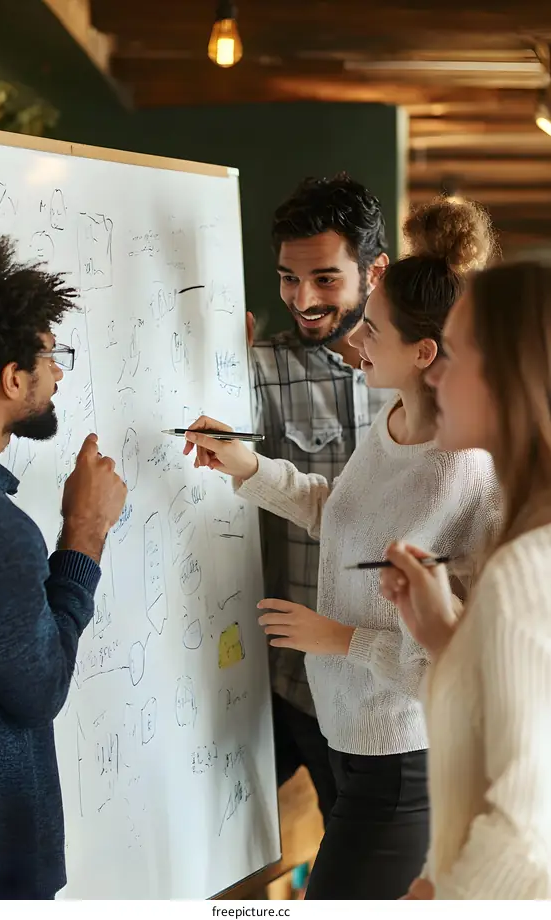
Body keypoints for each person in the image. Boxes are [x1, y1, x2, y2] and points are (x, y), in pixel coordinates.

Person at [184, 198, 502, 899]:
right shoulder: (391, 421)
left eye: (374, 332)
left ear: (423, 353)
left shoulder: (467, 470)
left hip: (405, 763)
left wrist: (342, 639)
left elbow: (468, 663)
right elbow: (338, 512)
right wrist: (245, 466)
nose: (357, 343)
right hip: (349, 741)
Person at [0, 236, 127, 899]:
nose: (59, 374)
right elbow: (38, 690)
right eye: (52, 358)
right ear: (12, 378)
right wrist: (85, 531)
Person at [380, 261, 551, 900]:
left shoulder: (525, 571)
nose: (435, 372)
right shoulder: (524, 544)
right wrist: (445, 638)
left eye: (450, 352)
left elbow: (528, 828)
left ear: (511, 373)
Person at [249, 173, 391, 823]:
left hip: (389, 696)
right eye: (287, 277)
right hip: (287, 688)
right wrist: (210, 366)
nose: (301, 299)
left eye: (325, 279)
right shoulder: (263, 368)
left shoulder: (427, 378)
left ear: (374, 272)